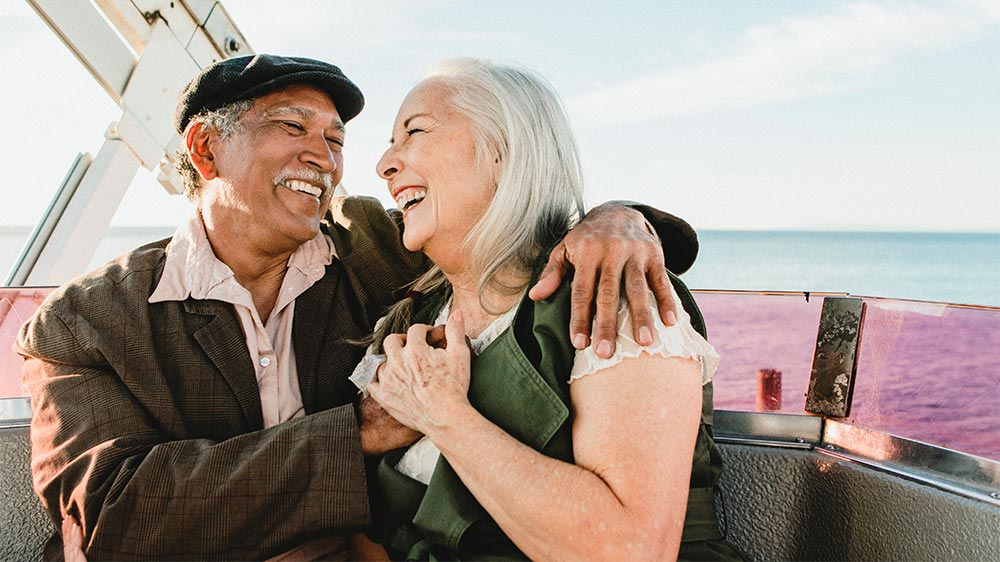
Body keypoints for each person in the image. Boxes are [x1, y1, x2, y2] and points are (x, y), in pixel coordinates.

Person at [18, 54, 702, 560]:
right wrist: (361, 431)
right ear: (204, 149)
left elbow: (503, 236)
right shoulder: (83, 324)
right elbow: (116, 517)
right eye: (293, 126)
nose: (326, 158)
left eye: (336, 141)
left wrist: (619, 219)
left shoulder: (374, 252)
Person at [351, 59, 742, 561]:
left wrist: (444, 414)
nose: (384, 163)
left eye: (415, 132)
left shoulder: (608, 293)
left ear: (505, 152)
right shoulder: (408, 319)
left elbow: (631, 551)